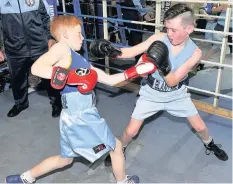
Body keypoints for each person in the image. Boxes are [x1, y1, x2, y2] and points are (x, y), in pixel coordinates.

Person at [5, 15, 160, 183]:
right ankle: (123, 181)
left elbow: (109, 80)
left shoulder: (78, 58)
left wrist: (135, 71)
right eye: (78, 33)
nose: (83, 37)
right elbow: (37, 68)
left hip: (73, 115)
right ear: (65, 35)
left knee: (65, 159)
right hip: (80, 115)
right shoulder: (62, 49)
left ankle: (24, 178)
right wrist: (72, 77)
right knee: (115, 147)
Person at [99, 3, 228, 166]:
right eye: (167, 28)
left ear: (189, 29)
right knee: (131, 130)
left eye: (174, 30)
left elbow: (173, 81)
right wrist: (113, 52)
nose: (169, 34)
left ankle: (209, 142)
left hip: (176, 95)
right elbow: (130, 52)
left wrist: (163, 65)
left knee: (200, 126)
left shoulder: (195, 53)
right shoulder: (159, 39)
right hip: (151, 94)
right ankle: (120, 149)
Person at [0, 0, 62, 117]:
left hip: (39, 45)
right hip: (14, 48)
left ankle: (56, 103)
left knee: (48, 76)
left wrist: (50, 37)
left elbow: (46, 17)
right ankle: (20, 104)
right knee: (17, 79)